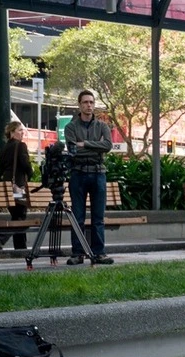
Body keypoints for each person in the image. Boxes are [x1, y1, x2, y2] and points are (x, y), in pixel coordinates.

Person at [64, 90, 114, 265]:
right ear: (79, 105)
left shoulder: (102, 126)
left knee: (98, 216)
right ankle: (78, 253)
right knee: (77, 216)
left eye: (91, 102)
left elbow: (108, 145)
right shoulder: (71, 127)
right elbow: (73, 150)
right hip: (78, 174)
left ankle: (99, 252)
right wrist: (96, 147)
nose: (89, 105)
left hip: (98, 173)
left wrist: (85, 143)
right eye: (85, 102)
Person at [0, 122, 33, 250]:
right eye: (20, 130)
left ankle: (20, 248)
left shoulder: (4, 148)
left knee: (17, 216)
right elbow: (26, 165)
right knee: (21, 216)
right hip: (18, 187)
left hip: (7, 187)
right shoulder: (21, 146)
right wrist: (30, 175)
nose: (22, 133)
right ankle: (3, 237)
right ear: (11, 132)